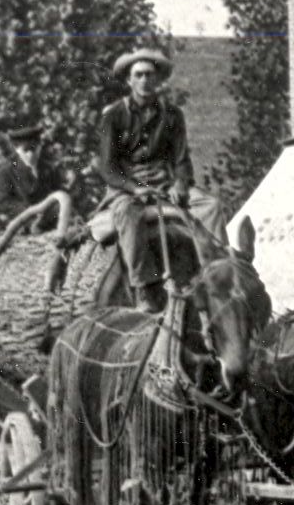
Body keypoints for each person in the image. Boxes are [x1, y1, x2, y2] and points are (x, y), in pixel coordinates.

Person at [96, 47, 225, 311]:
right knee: (128, 215)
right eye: (139, 75)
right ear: (129, 80)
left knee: (211, 207)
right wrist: (133, 188)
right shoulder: (114, 116)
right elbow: (108, 167)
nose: (145, 81)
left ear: (158, 80)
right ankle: (142, 285)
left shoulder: (172, 115)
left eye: (150, 75)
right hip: (127, 187)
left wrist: (179, 183)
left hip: (164, 183)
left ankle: (220, 274)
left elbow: (181, 159)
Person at [0, 123, 67, 229]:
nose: (31, 154)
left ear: (39, 147)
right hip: (23, 223)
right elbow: (5, 201)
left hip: (50, 223)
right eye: (26, 150)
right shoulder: (8, 169)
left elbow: (59, 193)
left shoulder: (49, 168)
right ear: (18, 149)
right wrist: (30, 213)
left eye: (34, 149)